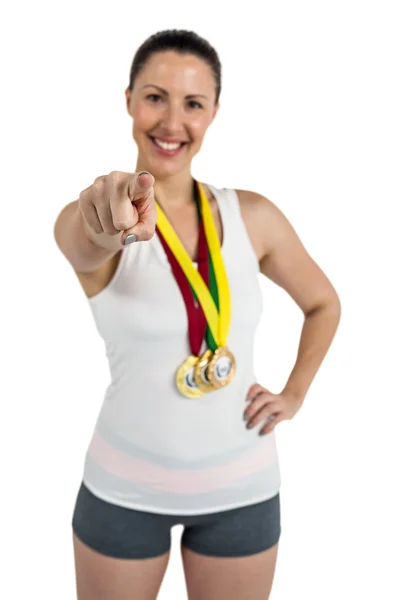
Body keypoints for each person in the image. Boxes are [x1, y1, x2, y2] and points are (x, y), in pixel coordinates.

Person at [54, 29, 341, 600]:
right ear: (130, 100)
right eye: (155, 97)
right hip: (124, 492)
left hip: (243, 491)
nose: (171, 123)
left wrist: (296, 392)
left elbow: (323, 303)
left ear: (213, 113)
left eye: (193, 104)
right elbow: (86, 238)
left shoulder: (252, 216)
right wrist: (105, 215)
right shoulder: (100, 212)